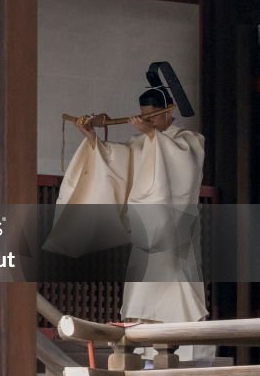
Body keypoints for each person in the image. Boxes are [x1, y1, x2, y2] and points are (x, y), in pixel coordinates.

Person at [50, 82, 210, 361]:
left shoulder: (188, 141)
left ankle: (185, 359)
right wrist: (93, 138)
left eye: (152, 116)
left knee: (175, 288)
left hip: (174, 233)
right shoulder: (140, 142)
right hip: (145, 234)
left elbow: (182, 170)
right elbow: (117, 163)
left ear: (168, 112)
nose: (147, 121)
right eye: (144, 115)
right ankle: (146, 357)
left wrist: (152, 137)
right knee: (140, 294)